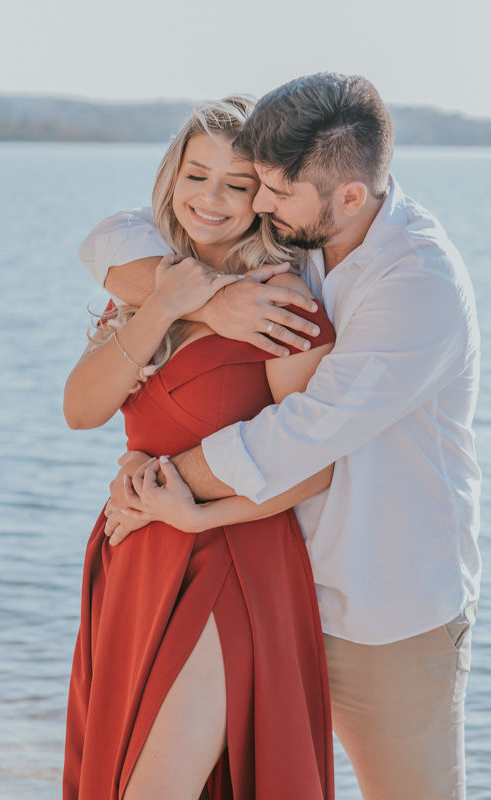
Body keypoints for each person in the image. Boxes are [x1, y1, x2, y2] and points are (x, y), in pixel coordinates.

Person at [82, 73, 482, 800]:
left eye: (272, 191)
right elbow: (117, 235)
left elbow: (299, 436)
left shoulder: (416, 285)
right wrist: (212, 300)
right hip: (267, 577)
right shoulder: (303, 228)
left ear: (351, 197)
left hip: (377, 608)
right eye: (256, 183)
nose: (258, 203)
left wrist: (154, 487)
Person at [62, 96, 336, 800]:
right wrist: (167, 306)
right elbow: (81, 411)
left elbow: (317, 466)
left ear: (262, 198)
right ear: (171, 178)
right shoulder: (148, 287)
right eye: (195, 175)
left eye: (235, 184)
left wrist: (197, 518)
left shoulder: (282, 305)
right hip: (134, 560)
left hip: (230, 564)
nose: (209, 199)